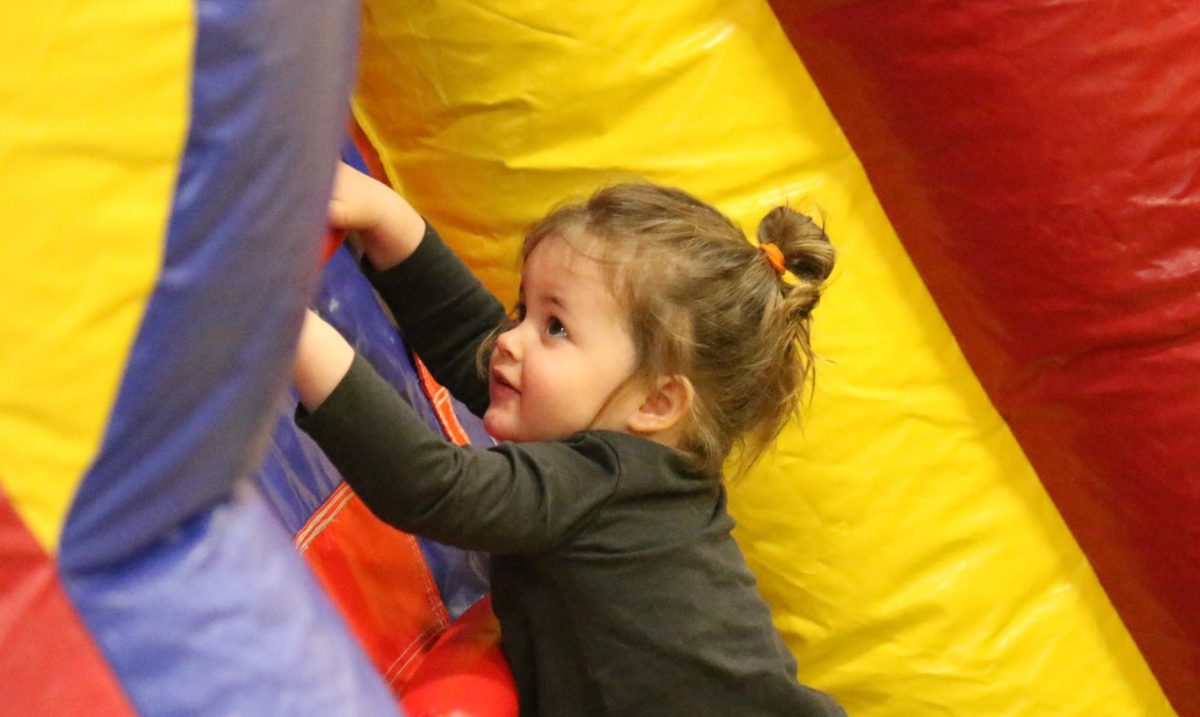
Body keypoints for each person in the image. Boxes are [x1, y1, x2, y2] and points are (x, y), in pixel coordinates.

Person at [293, 162, 847, 716]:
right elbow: (474, 344)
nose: (511, 341)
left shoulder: (606, 480)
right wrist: (389, 221)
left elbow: (433, 485)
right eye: (523, 311)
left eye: (555, 327)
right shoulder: (641, 480)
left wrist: (286, 322)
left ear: (656, 404)